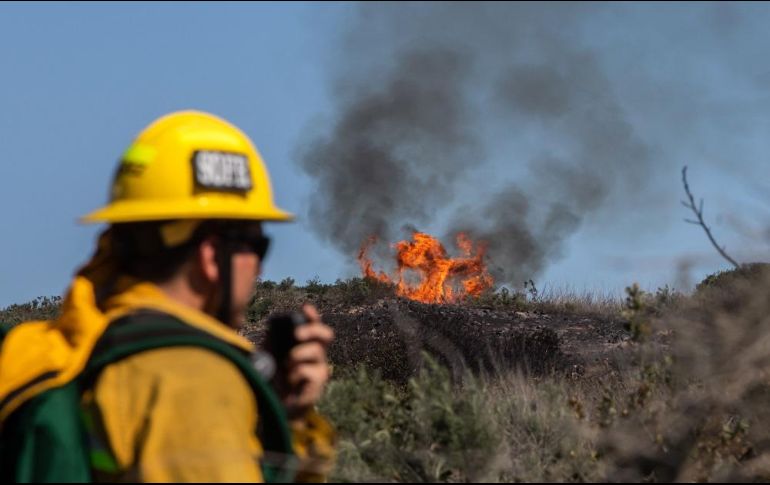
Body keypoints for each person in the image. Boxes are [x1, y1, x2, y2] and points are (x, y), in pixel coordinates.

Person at [0, 111, 335, 482]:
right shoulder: (192, 383)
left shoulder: (66, 350)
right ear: (211, 256)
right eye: (257, 246)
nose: (259, 269)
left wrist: (285, 419)